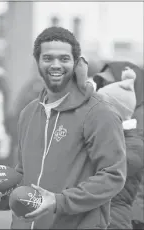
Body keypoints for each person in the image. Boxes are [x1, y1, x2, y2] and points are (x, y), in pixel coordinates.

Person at [0, 27, 126, 229]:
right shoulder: (28, 113)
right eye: (48, 58)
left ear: (76, 62)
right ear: (37, 62)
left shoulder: (99, 113)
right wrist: (0, 197)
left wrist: (58, 201)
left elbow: (113, 176)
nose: (55, 65)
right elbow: (24, 175)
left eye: (64, 58)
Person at [91, 61, 144, 229]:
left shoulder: (134, 127)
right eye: (103, 82)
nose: (105, 84)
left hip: (129, 214)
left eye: (109, 81)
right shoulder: (109, 128)